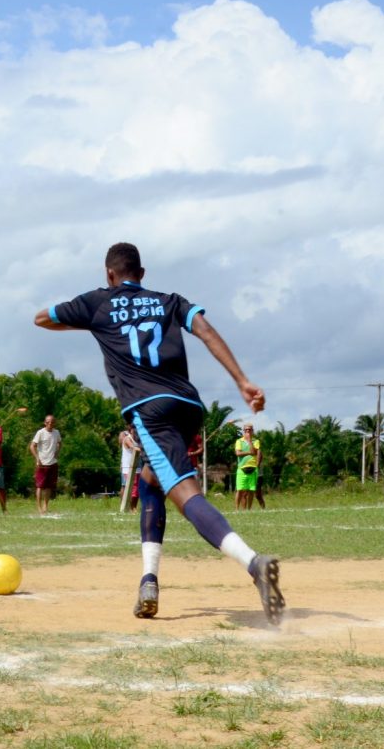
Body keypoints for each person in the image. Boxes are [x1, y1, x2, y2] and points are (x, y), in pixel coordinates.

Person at [35, 242, 284, 625]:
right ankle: (149, 580)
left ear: (109, 275)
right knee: (150, 479)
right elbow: (205, 329)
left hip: (149, 411)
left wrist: (89, 320)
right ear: (143, 273)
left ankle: (254, 564)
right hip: (187, 406)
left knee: (184, 491)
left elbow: (42, 319)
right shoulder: (169, 300)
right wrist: (242, 380)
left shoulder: (97, 303)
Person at [29, 415, 61, 515]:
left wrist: (57, 452)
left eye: (52, 422)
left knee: (49, 486)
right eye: (48, 422)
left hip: (53, 463)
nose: (50, 424)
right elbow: (32, 446)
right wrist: (37, 458)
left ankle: (45, 506)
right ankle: (39, 507)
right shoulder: (40, 433)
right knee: (40, 486)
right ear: (45, 422)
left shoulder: (57, 432)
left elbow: (60, 443)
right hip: (42, 464)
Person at [234, 423, 261, 510]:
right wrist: (249, 453)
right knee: (240, 490)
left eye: (249, 430)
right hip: (242, 468)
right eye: (246, 430)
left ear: (252, 431)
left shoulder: (256, 441)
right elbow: (238, 453)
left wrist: (249, 441)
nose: (248, 431)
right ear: (244, 431)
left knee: (251, 490)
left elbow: (255, 452)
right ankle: (237, 509)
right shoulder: (239, 441)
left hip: (253, 468)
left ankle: (249, 509)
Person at [119, 424, 141, 507]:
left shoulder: (138, 439)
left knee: (136, 489)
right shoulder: (127, 439)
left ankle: (133, 507)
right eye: (134, 429)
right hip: (128, 468)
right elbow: (134, 448)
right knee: (131, 488)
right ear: (130, 430)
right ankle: (129, 507)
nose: (136, 431)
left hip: (137, 468)